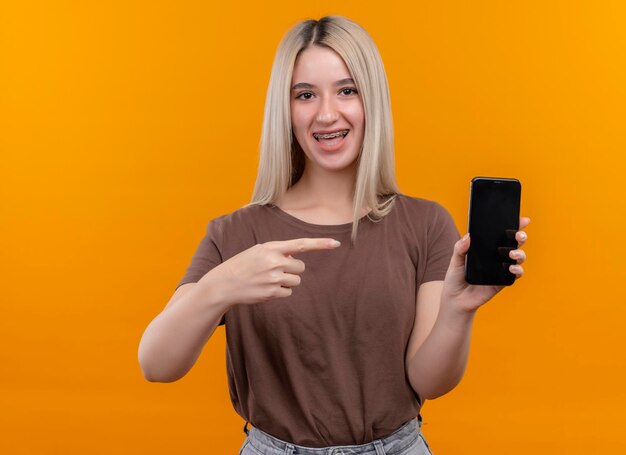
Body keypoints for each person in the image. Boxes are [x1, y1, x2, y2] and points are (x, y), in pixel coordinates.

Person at [138, 15, 530, 455]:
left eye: (347, 90)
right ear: (285, 110)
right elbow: (156, 364)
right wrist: (220, 287)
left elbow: (429, 382)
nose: (327, 113)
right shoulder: (236, 233)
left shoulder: (425, 224)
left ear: (372, 101)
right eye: (305, 95)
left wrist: (458, 311)